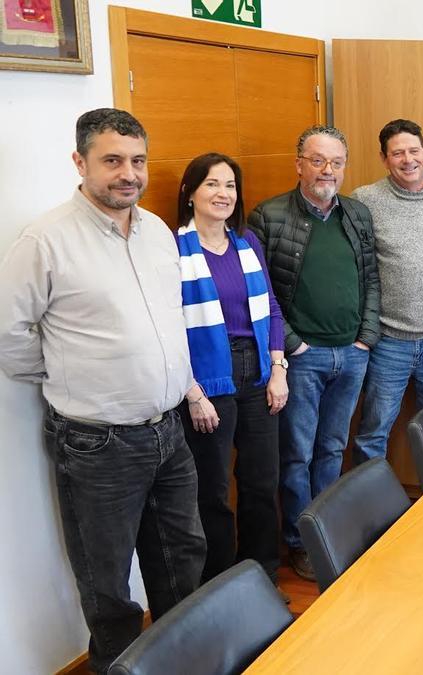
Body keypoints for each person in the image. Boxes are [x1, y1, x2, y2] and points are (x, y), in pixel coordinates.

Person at [0, 108, 206, 672]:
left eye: (137, 160)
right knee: (108, 583)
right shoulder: (45, 241)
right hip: (96, 445)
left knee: (182, 559)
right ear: (80, 162)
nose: (129, 174)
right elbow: (8, 333)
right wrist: (73, 374)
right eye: (112, 160)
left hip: (168, 430)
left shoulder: (159, 231)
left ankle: (180, 662)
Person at [248, 125, 380, 581]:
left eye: (336, 162)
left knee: (332, 449)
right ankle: (301, 543)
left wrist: (366, 336)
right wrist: (291, 345)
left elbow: (372, 280)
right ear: (299, 163)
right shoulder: (269, 216)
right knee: (298, 455)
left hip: (353, 353)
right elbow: (260, 292)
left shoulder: (358, 214)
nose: (328, 170)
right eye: (318, 160)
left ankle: (328, 533)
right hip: (302, 358)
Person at [174, 153, 287, 585]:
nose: (223, 194)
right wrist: (193, 394)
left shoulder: (246, 243)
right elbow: (168, 327)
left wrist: (278, 369)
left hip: (257, 370)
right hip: (207, 379)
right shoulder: (174, 248)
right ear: (190, 193)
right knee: (213, 490)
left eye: (230, 186)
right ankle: (220, 588)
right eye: (212, 185)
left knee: (261, 483)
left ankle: (262, 577)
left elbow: (272, 307)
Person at [350, 119, 423, 463]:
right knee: (373, 431)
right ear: (384, 159)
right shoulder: (365, 200)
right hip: (387, 341)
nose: (408, 159)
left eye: (414, 150)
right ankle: (368, 512)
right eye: (397, 153)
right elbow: (359, 269)